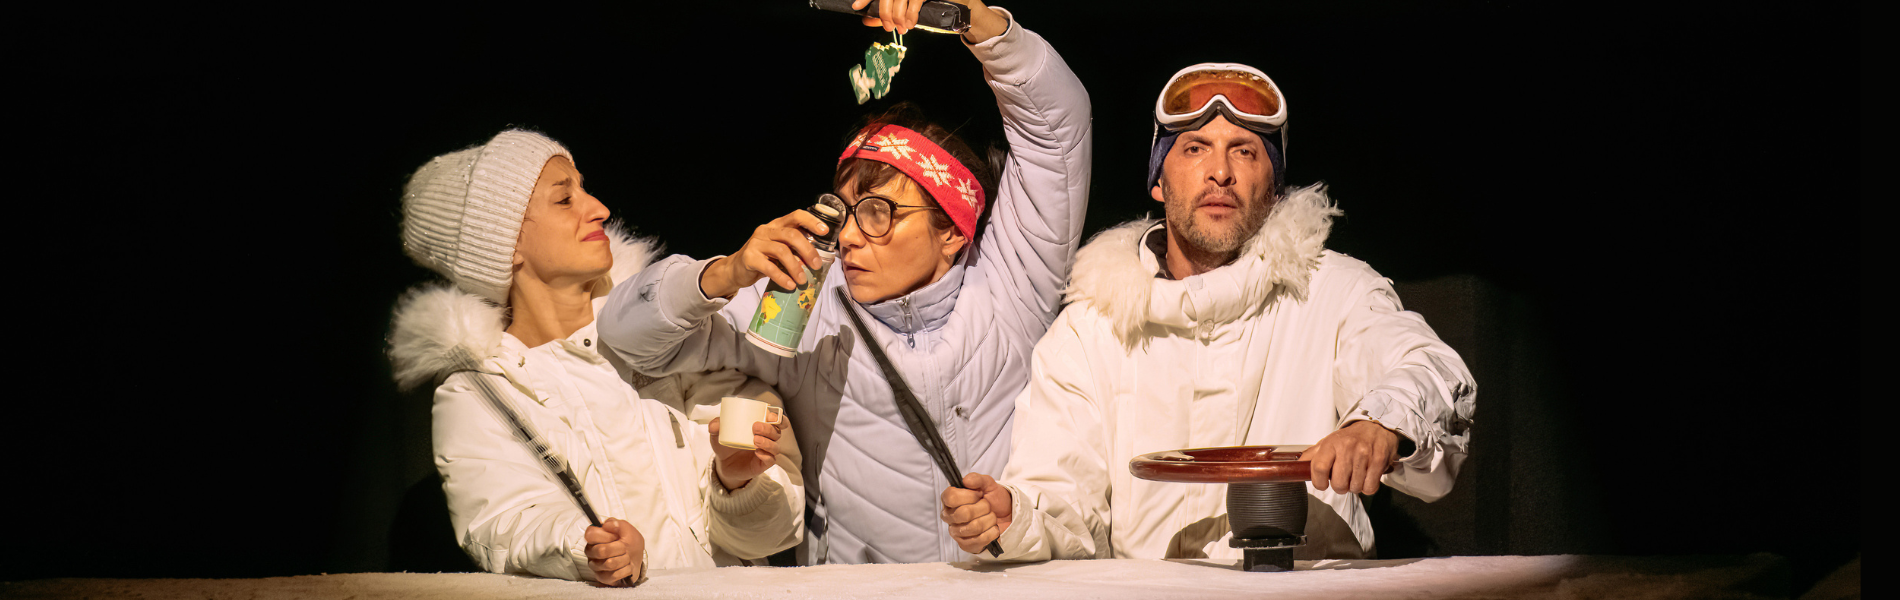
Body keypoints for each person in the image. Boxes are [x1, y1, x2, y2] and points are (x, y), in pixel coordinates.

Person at [599, 0, 1089, 564]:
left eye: (879, 211)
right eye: (845, 211)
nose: (851, 237)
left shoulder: (1012, 284)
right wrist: (725, 274)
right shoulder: (803, 305)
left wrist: (964, 14)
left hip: (998, 582)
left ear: (952, 231)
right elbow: (628, 339)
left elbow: (1059, 128)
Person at [938, 63, 1478, 561]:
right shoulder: (1093, 328)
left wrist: (1381, 421)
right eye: (1195, 149)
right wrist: (1016, 518)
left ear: (1275, 185)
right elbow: (1061, 507)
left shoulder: (1332, 293)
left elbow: (1429, 369)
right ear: (1158, 179)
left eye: (1245, 151)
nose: (1220, 172)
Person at [388, 130, 803, 584]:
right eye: (564, 199)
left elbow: (771, 536)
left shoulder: (668, 331)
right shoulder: (480, 391)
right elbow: (505, 523)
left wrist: (737, 484)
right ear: (504, 244)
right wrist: (588, 545)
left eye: (584, 189)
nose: (599, 208)